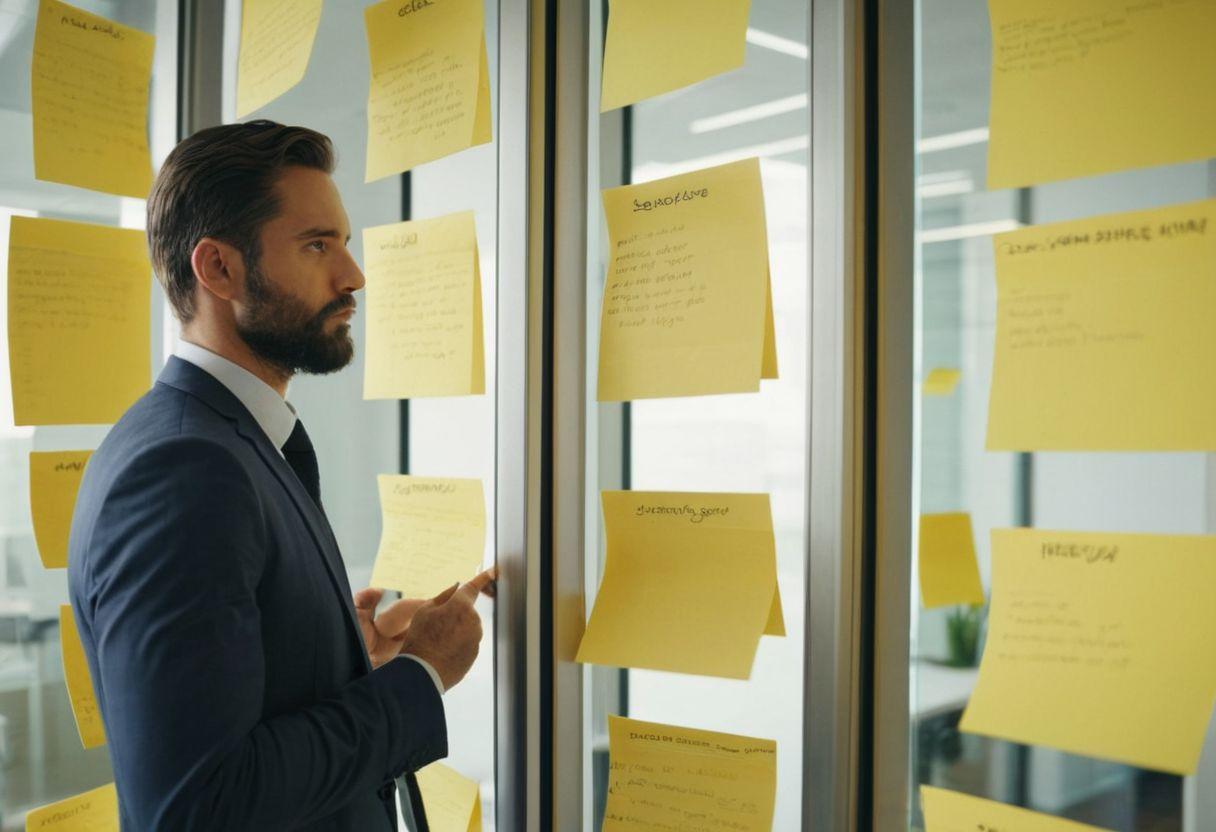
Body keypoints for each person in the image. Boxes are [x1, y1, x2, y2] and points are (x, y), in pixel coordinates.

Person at [66, 120, 490, 830]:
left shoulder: (218, 440)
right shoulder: (184, 471)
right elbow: (199, 806)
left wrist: (339, 656)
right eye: (317, 245)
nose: (353, 275)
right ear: (219, 270)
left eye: (344, 243)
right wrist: (422, 676)